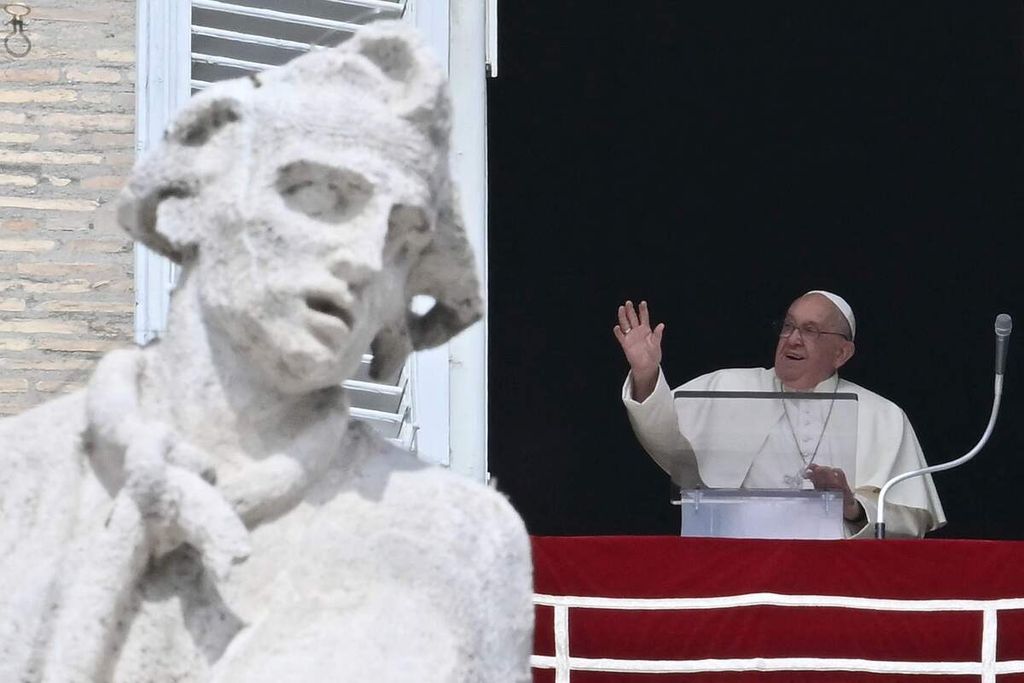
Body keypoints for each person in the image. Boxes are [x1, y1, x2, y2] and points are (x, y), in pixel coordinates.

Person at [0, 23, 532, 682]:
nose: (366, 259)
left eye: (402, 242)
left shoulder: (462, 540)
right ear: (189, 203)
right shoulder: (16, 479)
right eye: (318, 195)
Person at [614, 291, 945, 538]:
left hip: (831, 578)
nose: (793, 339)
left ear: (842, 352)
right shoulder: (727, 386)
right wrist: (646, 373)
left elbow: (910, 521)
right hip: (736, 566)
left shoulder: (883, 415)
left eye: (810, 330)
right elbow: (666, 439)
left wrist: (852, 506)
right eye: (788, 326)